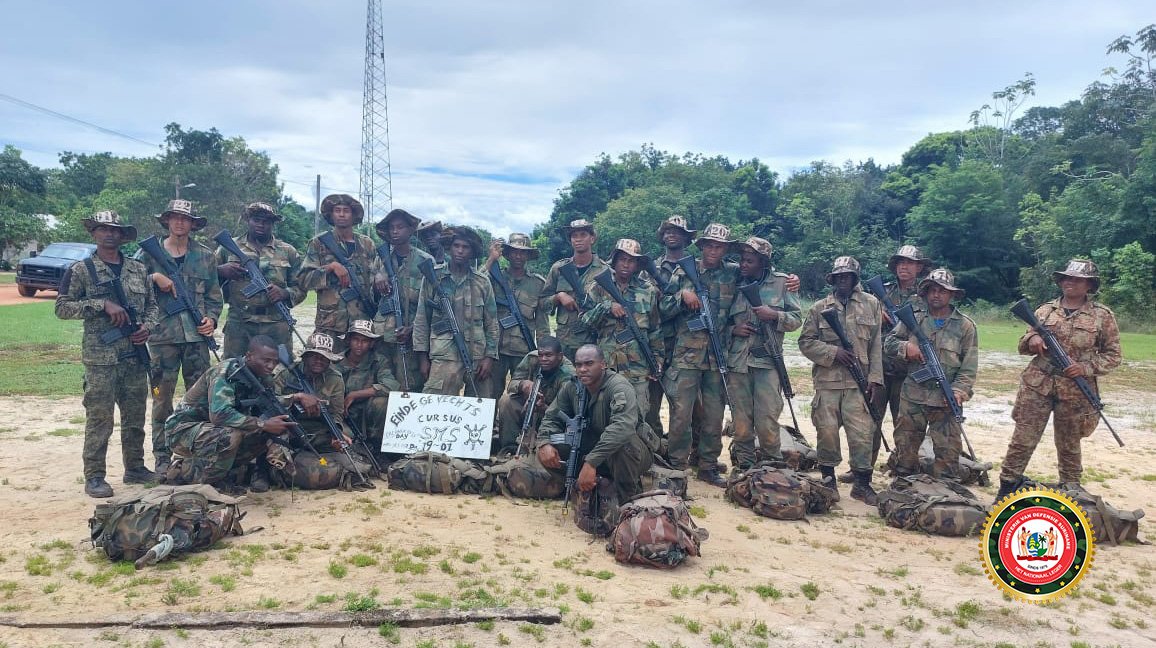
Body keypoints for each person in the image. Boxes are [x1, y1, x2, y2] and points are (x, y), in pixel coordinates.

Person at [995, 260, 1122, 500]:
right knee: (1023, 437)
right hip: (1037, 384)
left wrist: (1084, 368)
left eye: (1076, 279)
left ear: (1089, 285)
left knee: (1069, 443)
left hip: (1075, 390)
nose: (1069, 282)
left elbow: (1113, 355)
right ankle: (1007, 486)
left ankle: (1071, 489)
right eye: (1066, 278)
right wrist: (1032, 340)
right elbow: (1023, 343)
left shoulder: (1102, 316)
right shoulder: (1045, 311)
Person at [55, 210, 159, 498]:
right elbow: (62, 308)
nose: (110, 234)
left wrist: (147, 329)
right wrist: (101, 304)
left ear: (123, 235)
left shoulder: (138, 269)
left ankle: (135, 467)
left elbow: (153, 307)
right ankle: (95, 476)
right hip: (101, 359)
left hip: (134, 356)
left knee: (135, 417)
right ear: (94, 233)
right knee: (100, 419)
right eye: (103, 229)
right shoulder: (81, 270)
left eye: (115, 230)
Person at [141, 199, 223, 477]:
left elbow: (214, 296)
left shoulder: (205, 256)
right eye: (174, 218)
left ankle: (194, 453)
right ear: (166, 221)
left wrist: (211, 320)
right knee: (161, 399)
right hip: (162, 337)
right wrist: (154, 277)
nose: (179, 223)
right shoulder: (147, 254)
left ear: (192, 224)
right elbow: (131, 284)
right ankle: (162, 456)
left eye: (185, 219)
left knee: (199, 400)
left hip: (196, 340)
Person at [163, 335, 298, 494]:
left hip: (209, 431)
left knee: (264, 433)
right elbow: (219, 415)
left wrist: (295, 398)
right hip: (182, 430)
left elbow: (265, 401)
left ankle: (219, 474)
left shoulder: (260, 376)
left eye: (275, 362)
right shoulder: (225, 372)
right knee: (231, 435)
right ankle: (190, 476)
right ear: (249, 356)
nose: (271, 366)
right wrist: (263, 424)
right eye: (266, 360)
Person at [798, 256, 883, 504]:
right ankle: (828, 482)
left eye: (848, 276)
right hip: (827, 382)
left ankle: (862, 484)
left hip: (860, 383)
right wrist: (834, 353)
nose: (843, 280)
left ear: (855, 279)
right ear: (833, 279)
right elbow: (805, 342)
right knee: (827, 434)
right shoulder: (819, 307)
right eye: (839, 276)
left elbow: (876, 343)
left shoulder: (871, 304)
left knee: (862, 434)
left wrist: (876, 379)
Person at [660, 223, 738, 488]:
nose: (714, 250)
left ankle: (707, 465)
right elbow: (662, 308)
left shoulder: (733, 274)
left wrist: (791, 280)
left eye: (719, 246)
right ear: (702, 246)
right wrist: (682, 295)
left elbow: (762, 277)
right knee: (681, 413)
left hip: (718, 356)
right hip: (686, 355)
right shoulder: (683, 271)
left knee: (714, 414)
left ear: (725, 249)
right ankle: (676, 465)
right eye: (709, 245)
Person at [849, 244, 933, 484]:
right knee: (869, 420)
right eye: (900, 263)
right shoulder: (881, 293)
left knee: (906, 424)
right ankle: (861, 469)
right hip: (881, 367)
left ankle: (903, 469)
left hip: (911, 371)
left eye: (909, 263)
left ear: (919, 267)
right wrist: (878, 314)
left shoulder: (929, 294)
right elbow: (853, 297)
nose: (903, 267)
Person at [883, 268, 977, 480]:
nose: (936, 294)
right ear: (925, 293)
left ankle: (944, 492)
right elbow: (888, 343)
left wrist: (959, 391)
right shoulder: (912, 319)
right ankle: (903, 487)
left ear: (951, 294)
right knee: (905, 452)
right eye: (932, 290)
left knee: (947, 457)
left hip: (945, 400)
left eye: (942, 291)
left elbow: (969, 367)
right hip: (913, 397)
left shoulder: (965, 326)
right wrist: (906, 347)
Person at [535, 344, 658, 503]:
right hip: (593, 449)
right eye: (578, 365)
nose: (582, 369)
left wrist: (591, 462)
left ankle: (626, 500)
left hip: (630, 453)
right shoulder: (572, 386)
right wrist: (544, 442)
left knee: (624, 443)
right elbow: (552, 418)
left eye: (589, 363)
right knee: (547, 449)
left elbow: (622, 427)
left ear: (603, 364)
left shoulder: (618, 386)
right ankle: (582, 486)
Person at [725, 236, 803, 470]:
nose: (744, 264)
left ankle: (771, 466)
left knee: (767, 419)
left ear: (763, 262)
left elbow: (796, 319)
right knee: (740, 421)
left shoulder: (782, 283)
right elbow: (719, 319)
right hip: (738, 362)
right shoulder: (733, 280)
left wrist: (775, 316)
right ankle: (745, 466)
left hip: (768, 363)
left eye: (750, 260)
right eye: (742, 259)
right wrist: (733, 330)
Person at [412, 226, 499, 396]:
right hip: (444, 356)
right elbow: (422, 319)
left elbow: (492, 323)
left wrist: (489, 357)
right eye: (456, 246)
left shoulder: (482, 282)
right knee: (436, 408)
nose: (460, 251)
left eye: (465, 247)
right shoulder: (433, 277)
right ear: (448, 247)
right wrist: (423, 358)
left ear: (472, 251)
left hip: (476, 357)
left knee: (478, 411)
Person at [581, 238, 663, 417]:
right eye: (622, 259)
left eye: (631, 260)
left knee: (639, 416)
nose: (626, 264)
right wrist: (606, 307)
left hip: (638, 367)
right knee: (606, 417)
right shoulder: (598, 287)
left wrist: (657, 360)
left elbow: (655, 329)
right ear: (615, 260)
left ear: (637, 264)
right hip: (607, 368)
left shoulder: (647, 290)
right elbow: (585, 321)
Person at [215, 202, 307, 358]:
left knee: (281, 370)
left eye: (266, 221)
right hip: (240, 322)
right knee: (234, 369)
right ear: (247, 220)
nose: (261, 224)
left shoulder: (287, 251)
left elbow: (302, 287)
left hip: (276, 323)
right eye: (256, 220)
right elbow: (207, 282)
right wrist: (221, 271)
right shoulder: (228, 248)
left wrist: (284, 293)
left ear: (272, 224)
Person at [298, 194, 385, 341]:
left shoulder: (367, 244)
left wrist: (380, 277)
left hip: (361, 323)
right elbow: (303, 280)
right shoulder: (319, 243)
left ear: (353, 215)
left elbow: (376, 275)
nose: (342, 214)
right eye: (337, 210)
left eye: (346, 210)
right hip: (330, 324)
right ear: (331, 215)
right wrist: (330, 267)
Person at [645, 216, 698, 438]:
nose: (670, 234)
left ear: (686, 236)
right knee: (651, 401)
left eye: (676, 231)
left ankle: (694, 451)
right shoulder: (650, 268)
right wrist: (679, 296)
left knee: (692, 405)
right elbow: (644, 301)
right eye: (666, 231)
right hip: (657, 342)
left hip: (691, 346)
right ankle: (656, 448)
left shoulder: (699, 267)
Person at [483, 233, 550, 400]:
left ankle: (515, 426)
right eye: (514, 251)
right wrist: (491, 260)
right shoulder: (493, 276)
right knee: (489, 393)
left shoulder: (538, 283)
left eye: (522, 252)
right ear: (507, 253)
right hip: (496, 349)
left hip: (523, 351)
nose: (518, 256)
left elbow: (542, 323)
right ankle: (490, 426)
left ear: (528, 255)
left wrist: (542, 352)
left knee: (521, 394)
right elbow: (475, 284)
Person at [373, 208, 433, 392]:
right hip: (383, 336)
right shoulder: (380, 260)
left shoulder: (425, 261)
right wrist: (377, 277)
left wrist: (413, 330)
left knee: (411, 387)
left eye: (400, 227)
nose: (395, 231)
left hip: (411, 337)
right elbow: (371, 300)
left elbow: (432, 306)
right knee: (383, 384)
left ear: (410, 230)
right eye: (391, 228)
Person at [495, 336, 574, 454]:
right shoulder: (532, 358)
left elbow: (568, 413)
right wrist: (523, 385)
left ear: (560, 356)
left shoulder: (568, 375)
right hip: (530, 408)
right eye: (541, 355)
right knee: (506, 401)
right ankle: (510, 448)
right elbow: (512, 384)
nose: (543, 359)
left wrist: (544, 408)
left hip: (554, 418)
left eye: (548, 355)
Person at [543, 219, 609, 360]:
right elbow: (543, 303)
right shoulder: (558, 269)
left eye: (583, 234)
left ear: (592, 238)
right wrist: (559, 297)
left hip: (595, 344)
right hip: (565, 344)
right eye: (574, 236)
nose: (578, 239)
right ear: (570, 240)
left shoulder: (605, 271)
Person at [338, 319, 399, 455]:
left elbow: (391, 386)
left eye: (364, 341)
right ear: (349, 340)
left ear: (371, 343)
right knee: (343, 440)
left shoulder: (378, 360)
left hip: (368, 414)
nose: (359, 345)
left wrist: (354, 395)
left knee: (382, 403)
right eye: (356, 340)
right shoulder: (336, 362)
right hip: (341, 416)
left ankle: (379, 449)